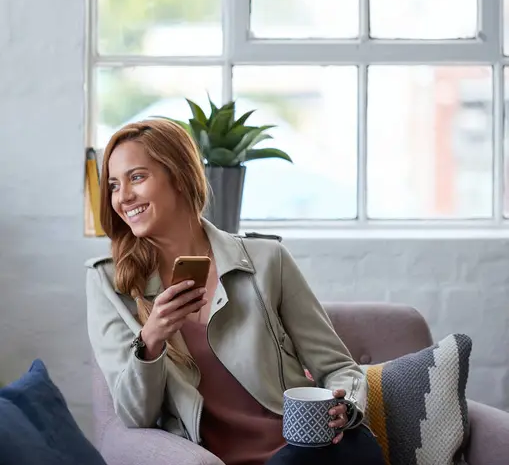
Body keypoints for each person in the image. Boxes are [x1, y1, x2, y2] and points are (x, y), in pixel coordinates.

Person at [86, 118, 384, 465]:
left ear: (179, 176)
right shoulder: (111, 284)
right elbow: (134, 415)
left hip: (309, 448)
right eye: (113, 185)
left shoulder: (268, 261)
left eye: (137, 177)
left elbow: (338, 367)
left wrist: (344, 407)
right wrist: (151, 341)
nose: (123, 197)